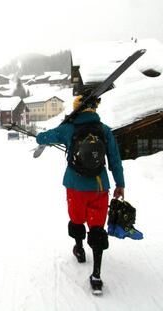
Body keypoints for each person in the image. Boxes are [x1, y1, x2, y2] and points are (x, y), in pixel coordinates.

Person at [36, 95, 125, 293]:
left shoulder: (68, 129)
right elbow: (115, 160)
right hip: (99, 186)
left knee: (77, 219)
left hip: (75, 186)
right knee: (96, 227)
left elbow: (42, 138)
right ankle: (96, 275)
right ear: (94, 109)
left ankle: (79, 249)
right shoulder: (104, 130)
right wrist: (120, 183)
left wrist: (57, 130)